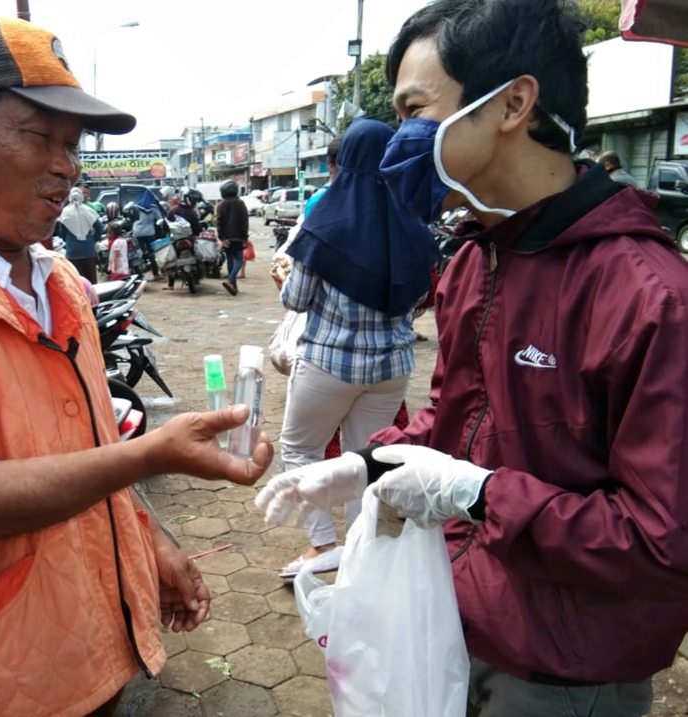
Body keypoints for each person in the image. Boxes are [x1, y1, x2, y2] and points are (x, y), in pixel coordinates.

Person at [0, 16, 273, 717]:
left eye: (73, 144)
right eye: (39, 137)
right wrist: (155, 452)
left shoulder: (59, 281)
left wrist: (149, 538)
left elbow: (90, 444)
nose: (67, 166)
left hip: (87, 651)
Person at [255, 1, 688, 714]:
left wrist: (479, 494)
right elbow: (454, 418)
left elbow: (661, 543)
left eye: (414, 111)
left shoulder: (647, 296)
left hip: (564, 667)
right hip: (457, 615)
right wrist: (366, 465)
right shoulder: (474, 261)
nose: (399, 141)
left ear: (514, 104)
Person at [274, 118, 436, 579]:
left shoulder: (324, 222)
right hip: (391, 369)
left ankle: (324, 544)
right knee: (364, 461)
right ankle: (362, 551)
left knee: (300, 451)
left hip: (328, 364)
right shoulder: (415, 226)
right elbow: (422, 299)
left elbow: (296, 300)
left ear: (343, 162)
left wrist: (286, 278)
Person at [55, 186, 101, 284]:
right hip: (88, 250)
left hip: (72, 251)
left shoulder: (65, 212)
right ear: (81, 197)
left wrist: (68, 242)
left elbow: (62, 232)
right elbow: (99, 227)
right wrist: (93, 240)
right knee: (91, 280)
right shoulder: (88, 211)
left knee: (77, 281)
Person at [164, 189, 203, 290]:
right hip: (189, 239)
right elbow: (197, 229)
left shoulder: (173, 210)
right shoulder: (192, 212)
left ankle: (170, 284)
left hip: (175, 240)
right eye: (194, 201)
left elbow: (166, 225)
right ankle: (197, 278)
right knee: (198, 255)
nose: (195, 203)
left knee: (171, 259)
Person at [216, 179, 249, 295]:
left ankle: (233, 286)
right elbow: (244, 221)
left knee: (230, 259)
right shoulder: (240, 203)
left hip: (227, 238)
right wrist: (245, 237)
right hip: (238, 237)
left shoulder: (221, 205)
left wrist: (222, 238)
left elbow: (219, 223)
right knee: (239, 260)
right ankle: (231, 281)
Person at [130, 189, 164, 280]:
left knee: (138, 253)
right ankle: (155, 274)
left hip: (137, 232)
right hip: (150, 233)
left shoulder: (136, 206)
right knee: (152, 253)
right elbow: (160, 220)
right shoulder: (153, 208)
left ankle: (139, 274)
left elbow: (131, 217)